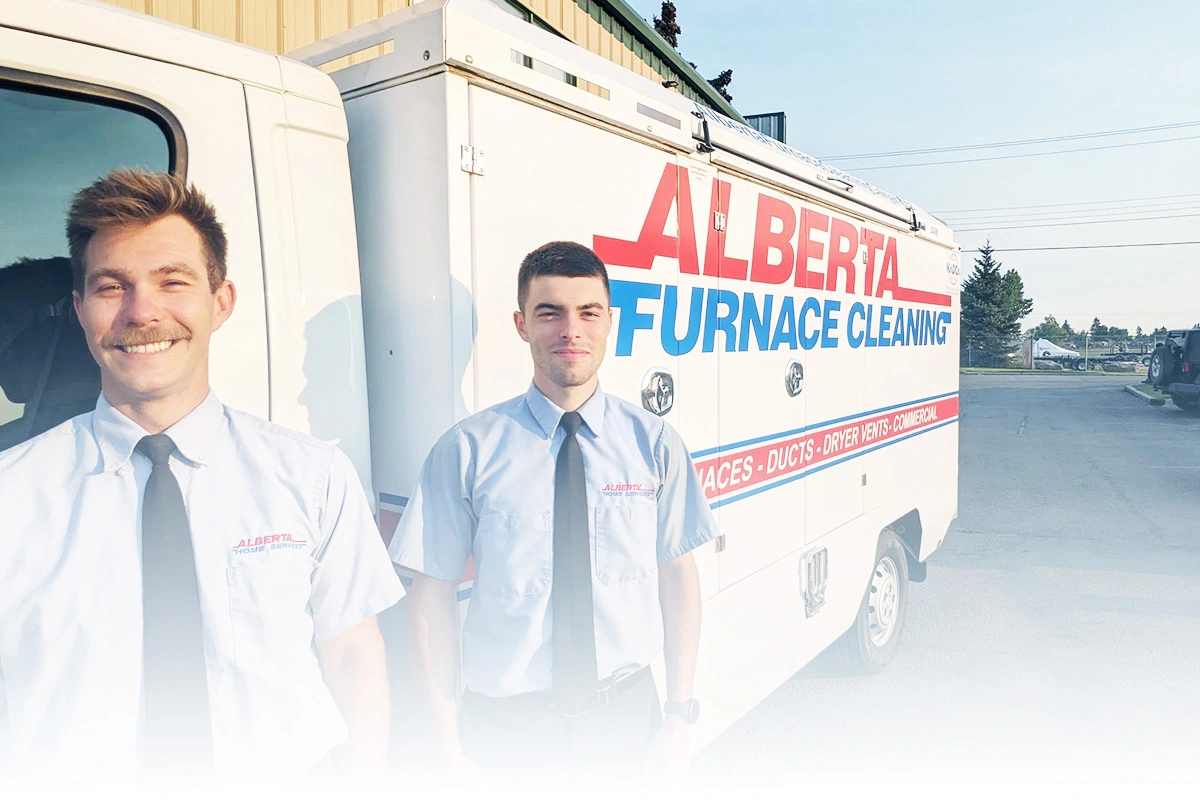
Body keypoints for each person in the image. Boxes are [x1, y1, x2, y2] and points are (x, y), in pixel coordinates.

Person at [0, 169, 403, 785]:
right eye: (112, 287)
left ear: (221, 302)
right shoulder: (13, 492)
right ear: (81, 310)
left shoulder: (313, 476)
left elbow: (351, 656)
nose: (142, 311)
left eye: (173, 281)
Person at [390, 241, 717, 783]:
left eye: (589, 312)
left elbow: (677, 577)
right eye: (550, 312)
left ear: (610, 322)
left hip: (627, 719)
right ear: (521, 324)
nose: (571, 329)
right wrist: (445, 744)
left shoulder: (655, 445)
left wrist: (679, 715)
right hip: (506, 730)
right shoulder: (466, 450)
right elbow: (431, 598)